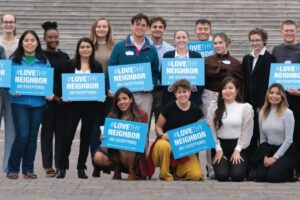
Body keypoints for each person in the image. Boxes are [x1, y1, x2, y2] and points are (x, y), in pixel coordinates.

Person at [6, 30, 52, 179]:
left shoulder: (44, 60)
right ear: (22, 43)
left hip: (38, 104)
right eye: (26, 40)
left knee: (32, 137)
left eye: (33, 40)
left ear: (37, 43)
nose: (30, 43)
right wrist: (11, 89)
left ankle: (28, 170)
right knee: (22, 136)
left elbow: (48, 83)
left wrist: (49, 93)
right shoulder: (14, 60)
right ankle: (12, 169)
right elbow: (6, 82)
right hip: (20, 103)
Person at [56, 37, 103, 179]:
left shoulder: (96, 66)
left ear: (92, 50)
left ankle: (81, 167)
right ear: (78, 49)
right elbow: (60, 83)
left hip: (90, 105)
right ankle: (62, 167)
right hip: (72, 105)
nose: (85, 50)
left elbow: (99, 85)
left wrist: (100, 94)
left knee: (86, 137)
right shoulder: (69, 65)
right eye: (82, 47)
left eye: (88, 47)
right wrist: (64, 95)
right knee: (67, 136)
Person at [147, 79, 204, 181]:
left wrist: (207, 125)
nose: (182, 95)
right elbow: (158, 126)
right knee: (163, 145)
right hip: (168, 143)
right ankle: (165, 173)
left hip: (185, 148)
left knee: (196, 175)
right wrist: (161, 135)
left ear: (190, 92)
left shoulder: (196, 110)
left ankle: (176, 171)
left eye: (185, 91)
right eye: (179, 92)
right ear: (175, 94)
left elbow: (200, 129)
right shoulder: (168, 107)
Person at [203, 32, 243, 178]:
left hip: (229, 97)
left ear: (227, 43)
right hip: (210, 97)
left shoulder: (235, 62)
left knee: (227, 127)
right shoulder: (207, 60)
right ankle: (210, 168)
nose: (218, 46)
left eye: (220, 43)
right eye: (215, 43)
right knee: (210, 130)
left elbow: (239, 81)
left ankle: (231, 160)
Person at [108, 13, 159, 123]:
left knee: (143, 126)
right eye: (137, 24)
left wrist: (152, 84)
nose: (140, 27)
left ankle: (144, 141)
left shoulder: (152, 49)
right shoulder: (119, 46)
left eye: (143, 25)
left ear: (147, 28)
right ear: (131, 26)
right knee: (123, 125)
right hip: (123, 94)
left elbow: (155, 72)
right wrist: (110, 87)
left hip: (144, 94)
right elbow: (111, 68)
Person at [93, 87, 148, 180]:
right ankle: (117, 169)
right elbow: (104, 136)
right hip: (116, 154)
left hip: (134, 155)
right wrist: (103, 138)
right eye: (118, 100)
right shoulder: (112, 115)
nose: (122, 102)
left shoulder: (141, 115)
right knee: (98, 157)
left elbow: (141, 139)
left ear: (131, 100)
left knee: (131, 143)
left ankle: (132, 171)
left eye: (125, 98)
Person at [242, 28, 275, 178]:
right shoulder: (247, 58)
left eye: (258, 40)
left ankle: (259, 166)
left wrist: (264, 104)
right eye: (252, 40)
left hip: (263, 105)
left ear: (264, 41)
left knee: (262, 137)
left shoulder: (270, 58)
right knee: (250, 135)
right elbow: (245, 81)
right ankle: (249, 167)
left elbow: (271, 83)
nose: (254, 43)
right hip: (248, 104)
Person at [207, 76, 253, 181]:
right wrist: (218, 149)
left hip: (238, 145)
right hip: (220, 145)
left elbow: (247, 131)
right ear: (221, 91)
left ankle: (241, 166)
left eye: (230, 88)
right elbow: (211, 131)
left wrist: (238, 150)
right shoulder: (214, 107)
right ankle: (220, 166)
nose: (227, 91)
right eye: (224, 88)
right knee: (222, 176)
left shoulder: (245, 108)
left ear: (237, 90)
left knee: (237, 176)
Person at [40, 21, 70, 177]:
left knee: (61, 134)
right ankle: (47, 166)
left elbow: (70, 78)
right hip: (47, 101)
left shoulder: (64, 56)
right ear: (44, 38)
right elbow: (41, 79)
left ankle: (59, 164)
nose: (53, 40)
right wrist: (54, 96)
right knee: (46, 133)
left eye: (56, 37)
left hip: (63, 102)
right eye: (50, 37)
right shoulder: (41, 56)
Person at [272, 20, 300, 179]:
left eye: (291, 30)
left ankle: (296, 168)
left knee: (296, 135)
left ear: (296, 31)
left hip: (297, 98)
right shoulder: (277, 50)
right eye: (286, 31)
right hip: (280, 100)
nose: (289, 33)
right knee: (282, 134)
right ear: (281, 32)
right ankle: (285, 167)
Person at [255, 83, 298, 182]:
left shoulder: (288, 113)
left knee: (273, 177)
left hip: (286, 152)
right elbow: (263, 138)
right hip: (269, 149)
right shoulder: (262, 113)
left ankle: (289, 171)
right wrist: (264, 155)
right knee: (260, 176)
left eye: (278, 94)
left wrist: (274, 158)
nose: (274, 96)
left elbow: (289, 140)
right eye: (271, 93)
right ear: (267, 95)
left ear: (282, 96)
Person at [89, 17, 115, 177]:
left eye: (104, 26)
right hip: (92, 86)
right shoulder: (88, 45)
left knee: (108, 126)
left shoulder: (115, 46)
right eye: (99, 26)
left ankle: (107, 161)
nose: (101, 29)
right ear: (94, 28)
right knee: (93, 127)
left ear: (108, 29)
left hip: (110, 87)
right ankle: (95, 164)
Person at [161, 30, 202, 107]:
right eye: (178, 38)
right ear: (174, 40)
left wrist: (195, 88)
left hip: (192, 98)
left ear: (188, 39)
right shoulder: (167, 55)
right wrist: (169, 88)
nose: (181, 40)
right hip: (171, 98)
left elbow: (201, 77)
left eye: (184, 37)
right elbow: (162, 76)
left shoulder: (196, 56)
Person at [0, 14, 18, 173]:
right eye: (5, 22)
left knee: (12, 128)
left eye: (11, 22)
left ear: (15, 24)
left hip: (13, 91)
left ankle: (8, 164)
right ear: (1, 24)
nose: (8, 24)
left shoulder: (21, 43)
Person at [149, 16, 174, 123]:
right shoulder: (142, 48)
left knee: (162, 125)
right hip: (146, 91)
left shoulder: (171, 49)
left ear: (164, 29)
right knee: (144, 124)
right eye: (154, 26)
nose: (157, 29)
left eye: (160, 27)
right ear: (149, 28)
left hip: (163, 92)